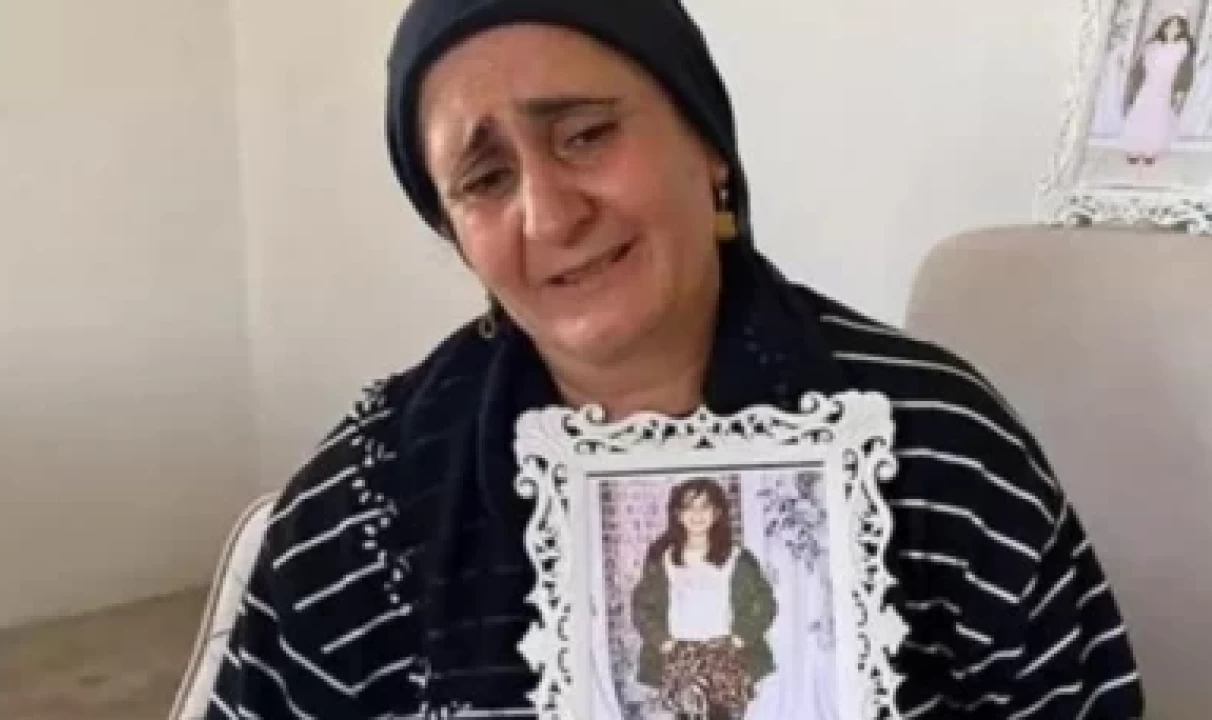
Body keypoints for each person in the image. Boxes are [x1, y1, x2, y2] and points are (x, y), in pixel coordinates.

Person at [206, 0, 1145, 717]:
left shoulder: (940, 446)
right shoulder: (361, 510)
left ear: (708, 145)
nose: (550, 215)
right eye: (485, 178)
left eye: (585, 134)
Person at [631, 479, 775, 720]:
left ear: (717, 513)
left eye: (705, 507)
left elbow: (764, 602)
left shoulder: (737, 558)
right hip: (681, 654)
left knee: (722, 716)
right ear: (678, 514)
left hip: (724, 653)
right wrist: (663, 641)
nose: (697, 514)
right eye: (689, 507)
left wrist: (741, 637)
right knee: (686, 715)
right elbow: (642, 606)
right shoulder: (663, 558)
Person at [1121, 14, 1196, 164]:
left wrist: (1180, 90)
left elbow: (1186, 71)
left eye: (1176, 26)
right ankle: (1134, 148)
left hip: (1166, 87)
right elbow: (1140, 67)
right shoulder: (1152, 45)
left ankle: (1151, 150)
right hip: (1148, 84)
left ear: (1182, 30)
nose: (1172, 29)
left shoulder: (1183, 48)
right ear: (1164, 26)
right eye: (1169, 25)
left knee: (1158, 118)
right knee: (1139, 114)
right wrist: (1135, 84)